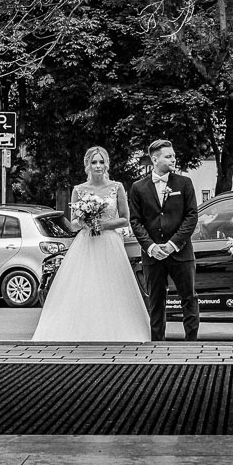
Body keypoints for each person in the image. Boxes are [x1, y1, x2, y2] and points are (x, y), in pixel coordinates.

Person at [29, 146, 151, 343]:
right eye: (94, 162)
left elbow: (125, 219)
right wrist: (86, 219)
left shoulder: (117, 187)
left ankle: (116, 330)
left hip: (110, 242)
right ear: (87, 165)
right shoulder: (78, 190)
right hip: (86, 243)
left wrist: (105, 224)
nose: (98, 166)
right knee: (85, 286)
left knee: (112, 286)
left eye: (101, 162)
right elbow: (73, 223)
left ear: (107, 164)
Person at [126, 137, 200, 341]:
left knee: (189, 298)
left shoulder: (184, 183)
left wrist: (173, 244)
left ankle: (192, 343)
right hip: (152, 255)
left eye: (174, 155)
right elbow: (136, 221)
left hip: (180, 252)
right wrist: (150, 247)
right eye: (169, 156)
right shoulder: (138, 187)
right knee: (156, 301)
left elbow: (192, 216)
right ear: (154, 159)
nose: (174, 159)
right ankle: (157, 344)